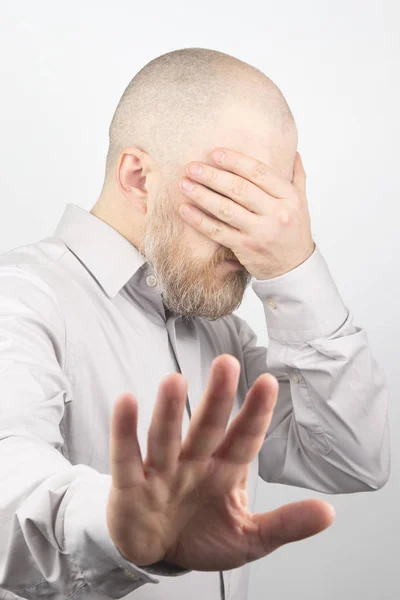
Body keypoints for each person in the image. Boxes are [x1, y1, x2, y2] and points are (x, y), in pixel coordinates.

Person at [0, 47, 390, 600]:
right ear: (138, 177)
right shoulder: (18, 298)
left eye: (277, 206)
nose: (255, 237)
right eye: (234, 199)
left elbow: (353, 459)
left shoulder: (220, 334)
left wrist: (296, 268)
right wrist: (119, 529)